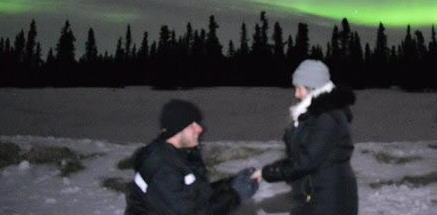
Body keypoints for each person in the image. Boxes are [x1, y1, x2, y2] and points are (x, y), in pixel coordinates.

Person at [253, 59, 358, 215]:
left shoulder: (327, 118)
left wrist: (267, 172)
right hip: (316, 195)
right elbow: (299, 153)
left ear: (312, 87)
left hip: (329, 201)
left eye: (299, 88)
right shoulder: (314, 115)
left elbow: (305, 160)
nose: (296, 94)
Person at [126, 99, 258, 215]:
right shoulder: (161, 168)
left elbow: (197, 195)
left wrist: (230, 184)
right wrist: (235, 195)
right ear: (177, 130)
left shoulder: (182, 155)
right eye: (191, 125)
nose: (199, 129)